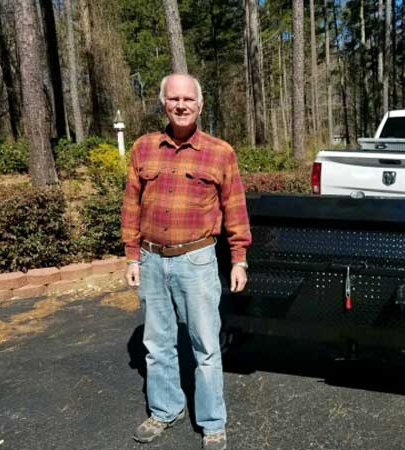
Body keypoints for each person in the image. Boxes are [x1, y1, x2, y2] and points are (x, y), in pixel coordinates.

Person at [121, 73, 251, 450]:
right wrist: (132, 255)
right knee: (157, 343)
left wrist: (239, 258)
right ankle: (165, 410)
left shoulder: (220, 152)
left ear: (200, 104)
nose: (181, 105)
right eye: (174, 99)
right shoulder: (143, 149)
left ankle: (212, 423)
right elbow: (131, 205)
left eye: (188, 99)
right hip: (151, 260)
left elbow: (235, 209)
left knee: (205, 345)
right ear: (163, 103)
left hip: (196, 260)